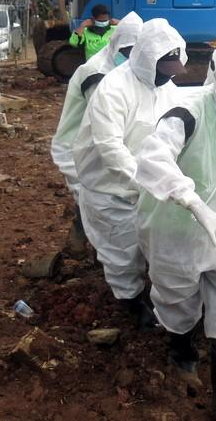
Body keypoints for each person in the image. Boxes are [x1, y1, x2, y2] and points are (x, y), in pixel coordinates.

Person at [135, 33, 216, 421]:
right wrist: (194, 203)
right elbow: (152, 160)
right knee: (178, 301)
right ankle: (182, 355)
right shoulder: (187, 113)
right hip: (176, 229)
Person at [73, 18, 187, 327]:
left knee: (149, 244)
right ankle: (129, 300)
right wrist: (146, 180)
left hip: (148, 187)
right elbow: (111, 148)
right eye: (164, 71)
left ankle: (147, 289)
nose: (168, 78)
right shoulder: (113, 89)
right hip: (111, 187)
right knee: (120, 248)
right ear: (149, 61)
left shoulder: (168, 89)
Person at [51, 12, 143, 254]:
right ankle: (90, 248)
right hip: (82, 152)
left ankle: (92, 245)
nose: (132, 57)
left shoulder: (123, 66)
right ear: (115, 44)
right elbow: (107, 134)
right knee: (97, 204)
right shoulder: (99, 75)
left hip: (99, 151)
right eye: (128, 50)